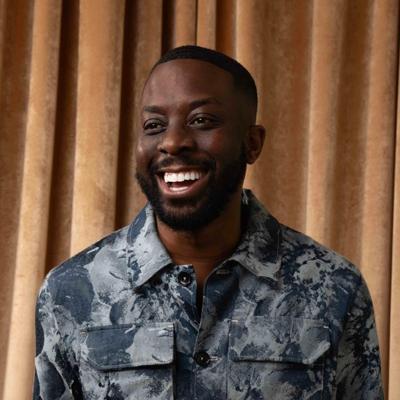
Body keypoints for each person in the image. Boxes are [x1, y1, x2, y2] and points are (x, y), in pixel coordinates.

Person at [34, 45, 383, 400]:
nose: (173, 142)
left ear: (252, 143)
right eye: (154, 125)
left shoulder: (335, 287)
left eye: (201, 121)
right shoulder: (71, 291)